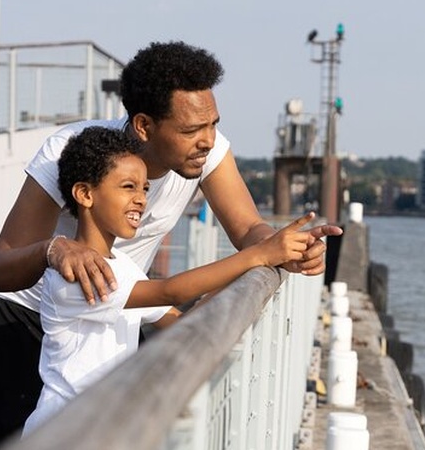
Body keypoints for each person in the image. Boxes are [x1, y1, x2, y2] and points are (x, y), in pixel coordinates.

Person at [0, 40, 343, 448]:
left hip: (118, 311)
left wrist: (286, 248)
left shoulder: (208, 152)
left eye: (213, 124)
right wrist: (54, 248)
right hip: (27, 316)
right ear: (144, 126)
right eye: (191, 130)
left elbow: (248, 228)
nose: (207, 140)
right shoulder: (69, 153)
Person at [21, 127, 316, 435]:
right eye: (128, 187)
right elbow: (168, 292)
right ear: (85, 194)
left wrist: (257, 273)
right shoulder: (76, 273)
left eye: (145, 189)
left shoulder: (121, 265)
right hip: (62, 430)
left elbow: (178, 319)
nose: (140, 200)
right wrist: (259, 255)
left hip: (101, 423)